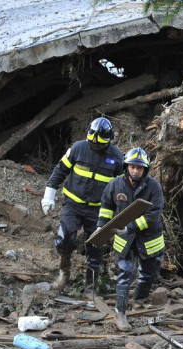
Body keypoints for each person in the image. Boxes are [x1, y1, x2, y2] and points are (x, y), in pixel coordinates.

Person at [41, 117, 124, 298]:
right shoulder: (78, 148)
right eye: (92, 142)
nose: (95, 145)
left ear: (109, 140)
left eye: (99, 143)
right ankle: (64, 273)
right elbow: (60, 170)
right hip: (73, 204)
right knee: (65, 239)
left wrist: (120, 211)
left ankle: (90, 287)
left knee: (96, 247)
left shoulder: (117, 158)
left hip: (98, 210)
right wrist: (49, 195)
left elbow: (122, 188)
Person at [97, 147, 165, 331]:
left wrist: (130, 227)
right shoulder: (115, 185)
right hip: (124, 241)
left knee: (148, 275)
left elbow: (153, 215)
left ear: (145, 170)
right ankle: (120, 313)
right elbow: (106, 206)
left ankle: (139, 302)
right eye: (132, 167)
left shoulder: (153, 187)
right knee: (125, 275)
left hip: (149, 240)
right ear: (126, 167)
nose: (135, 171)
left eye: (139, 168)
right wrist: (101, 226)